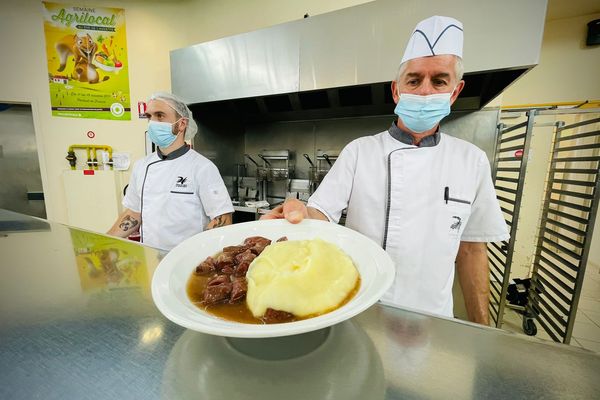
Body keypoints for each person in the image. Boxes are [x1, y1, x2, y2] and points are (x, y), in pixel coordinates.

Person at [263, 16, 509, 325]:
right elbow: (320, 214)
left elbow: (473, 250)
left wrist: (482, 330)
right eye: (414, 80)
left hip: (432, 317)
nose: (424, 91)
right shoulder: (360, 151)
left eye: (439, 81)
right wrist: (295, 211)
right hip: (359, 306)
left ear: (455, 91)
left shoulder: (471, 160)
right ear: (396, 90)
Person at [108, 92, 234, 251]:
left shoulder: (202, 167)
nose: (152, 122)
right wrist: (106, 241)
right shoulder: (141, 166)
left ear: (181, 124)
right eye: (149, 116)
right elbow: (134, 213)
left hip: (187, 260)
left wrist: (198, 254)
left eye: (160, 116)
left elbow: (222, 218)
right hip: (150, 256)